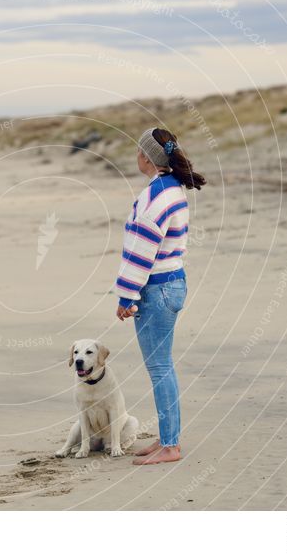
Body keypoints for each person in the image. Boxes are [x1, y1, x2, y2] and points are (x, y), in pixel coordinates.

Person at [115, 127, 206, 465]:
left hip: (157, 286)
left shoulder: (156, 196)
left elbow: (142, 251)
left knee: (160, 367)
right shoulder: (173, 189)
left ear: (146, 157)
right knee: (161, 365)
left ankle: (170, 445)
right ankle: (167, 438)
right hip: (172, 282)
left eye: (138, 151)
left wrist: (126, 296)